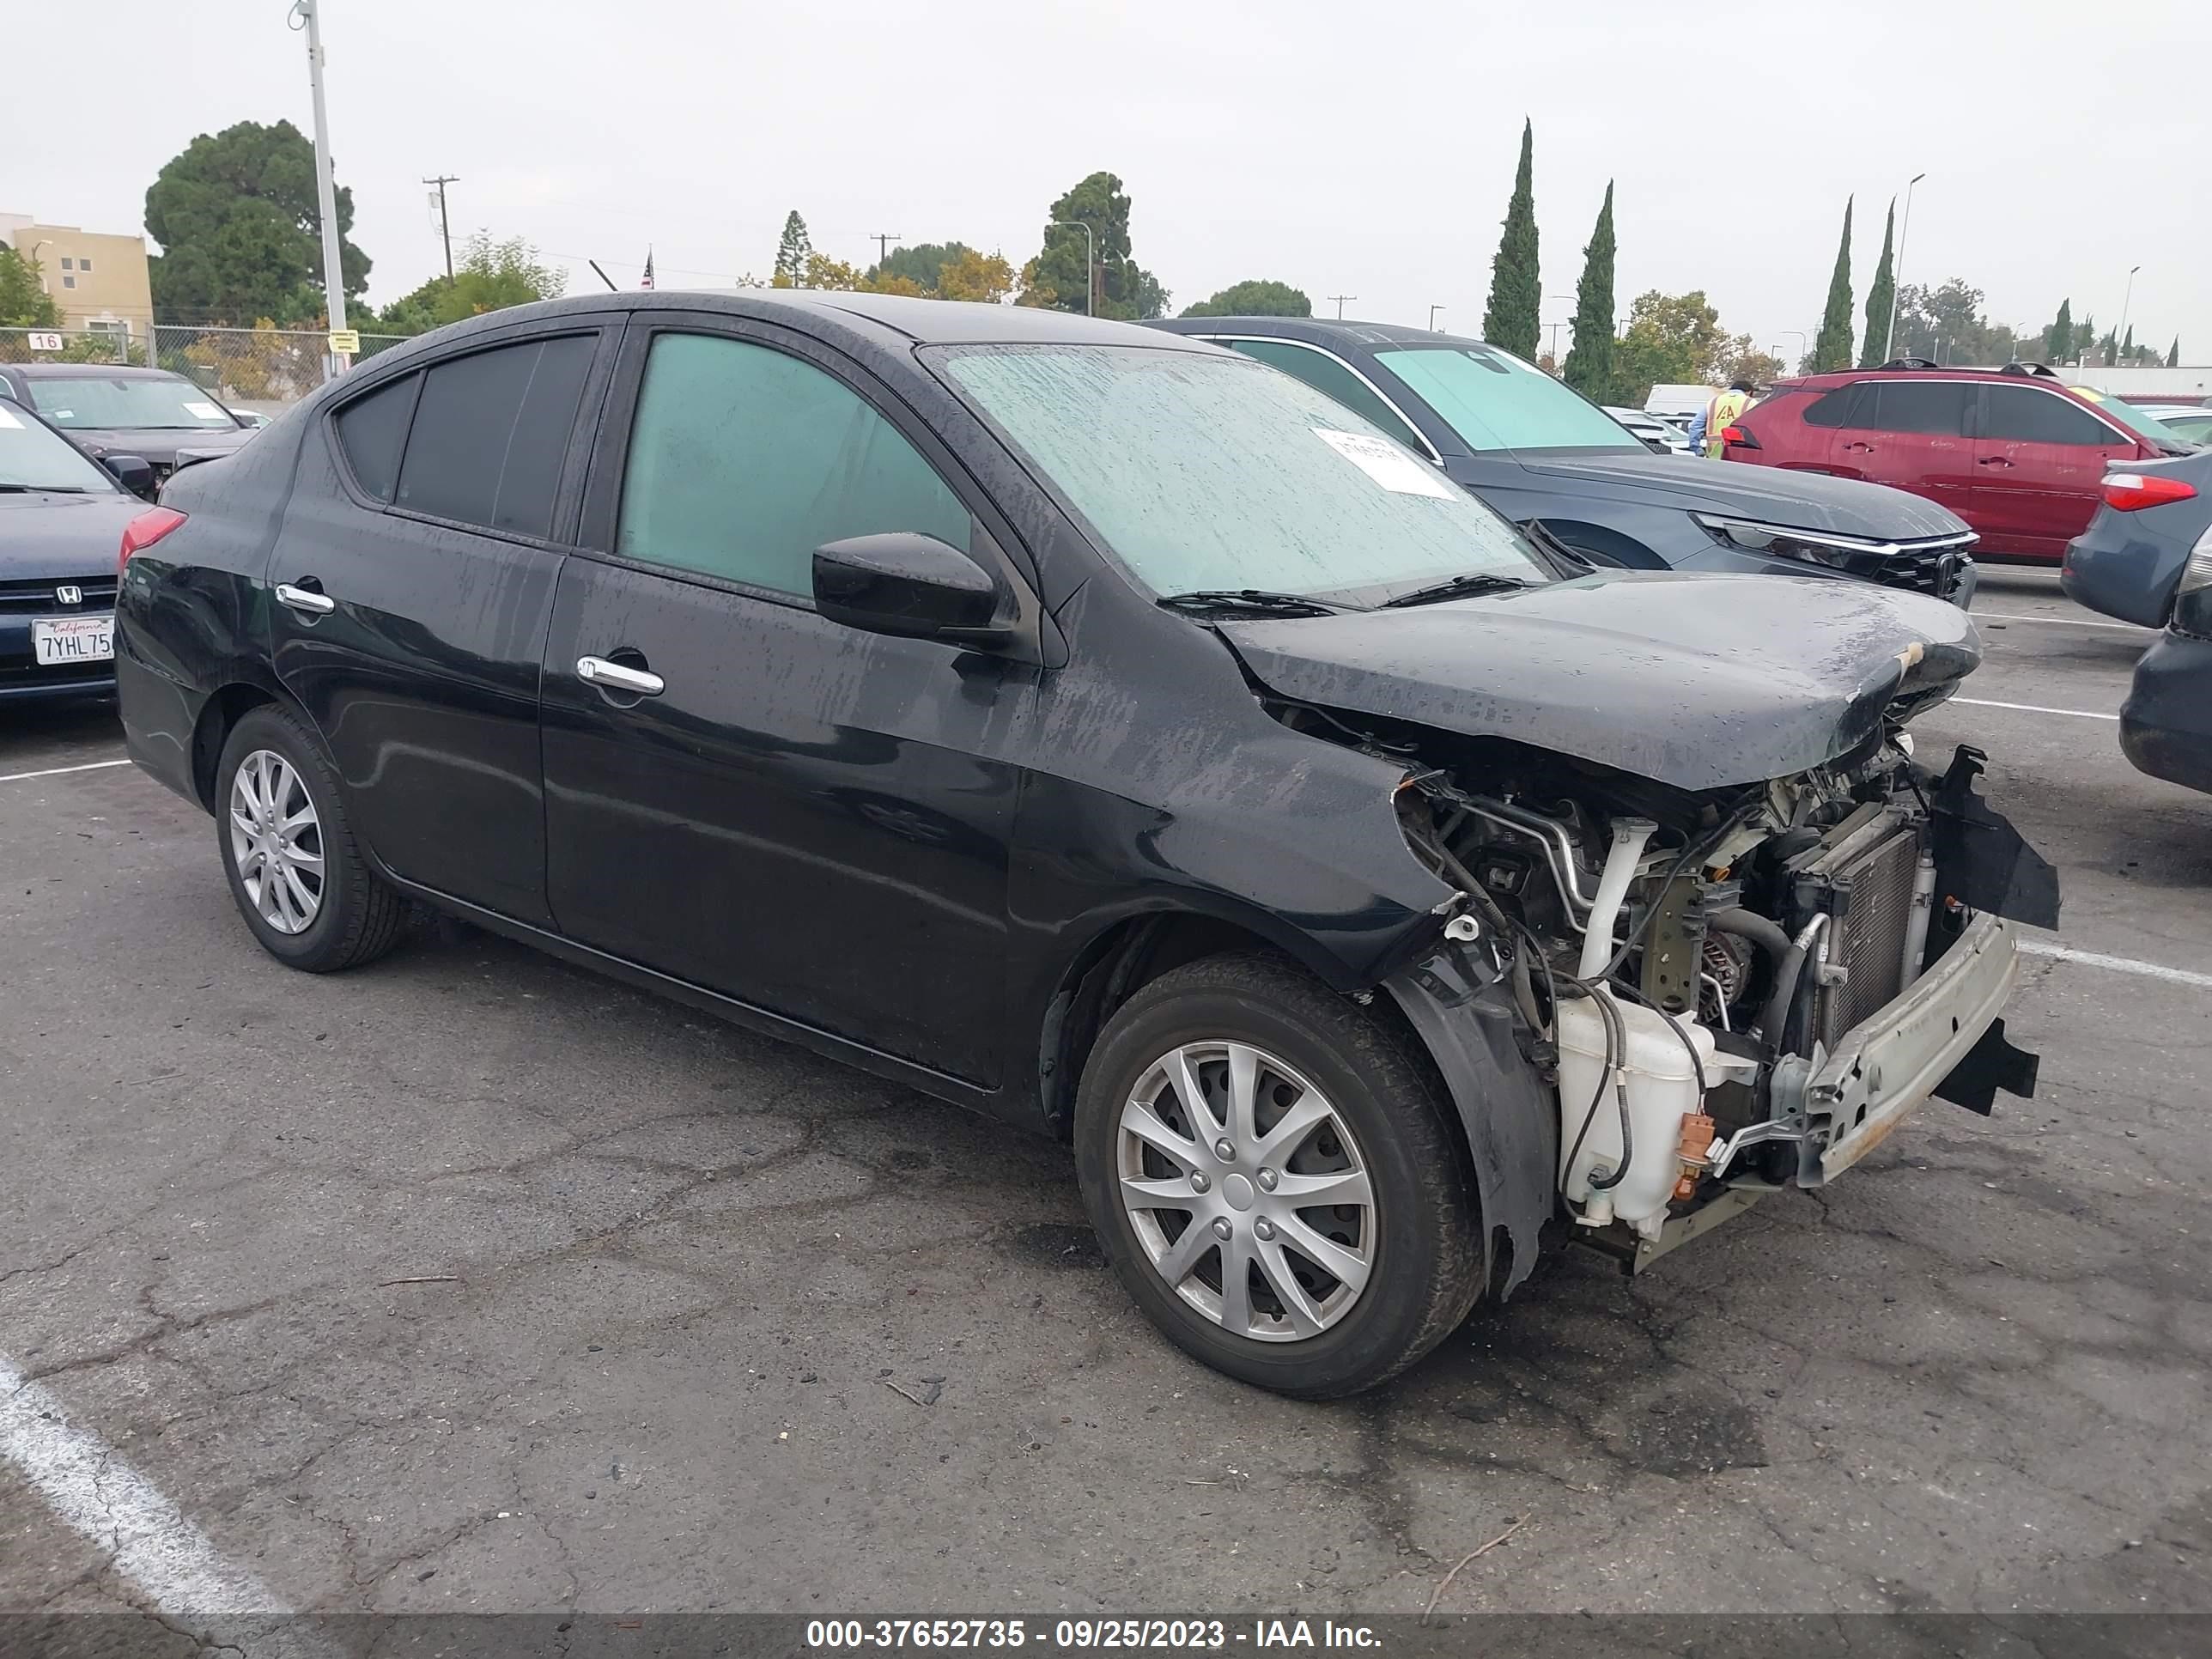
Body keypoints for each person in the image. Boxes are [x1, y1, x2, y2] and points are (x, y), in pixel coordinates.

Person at [1688, 377, 1757, 459]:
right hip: (1739, 455)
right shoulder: (1751, 403)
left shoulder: (1713, 402)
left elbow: (1695, 427)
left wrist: (1697, 449)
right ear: (1749, 392)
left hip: (1714, 455)